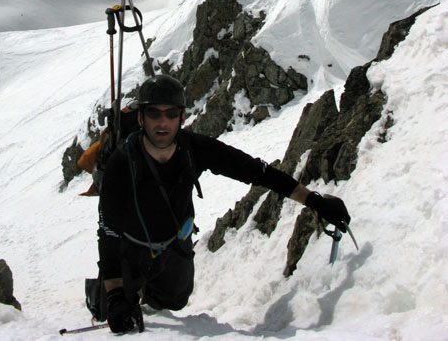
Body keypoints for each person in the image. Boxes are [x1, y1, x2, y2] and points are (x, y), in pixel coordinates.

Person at [97, 74, 350, 334]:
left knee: (174, 300)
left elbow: (256, 171)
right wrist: (115, 296)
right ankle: (101, 293)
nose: (163, 122)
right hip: (130, 247)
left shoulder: (194, 149)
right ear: (141, 119)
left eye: (171, 114)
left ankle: (145, 293)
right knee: (113, 313)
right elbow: (108, 234)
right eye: (154, 113)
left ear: (183, 118)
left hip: (173, 244)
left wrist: (314, 201)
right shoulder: (122, 163)